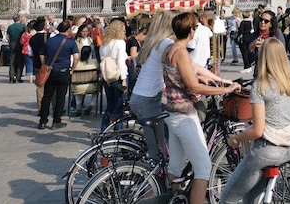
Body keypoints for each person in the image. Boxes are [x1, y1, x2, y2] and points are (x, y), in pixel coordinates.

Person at [162, 12, 240, 204]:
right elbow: (193, 86)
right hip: (183, 114)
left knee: (175, 167)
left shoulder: (171, 49)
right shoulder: (180, 53)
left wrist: (218, 79)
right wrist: (224, 90)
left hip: (171, 112)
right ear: (191, 30)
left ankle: (175, 199)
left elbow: (194, 68)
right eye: (195, 27)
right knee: (203, 168)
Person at [222, 38, 290, 204]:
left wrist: (235, 138)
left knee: (227, 198)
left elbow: (257, 130)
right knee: (251, 200)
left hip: (266, 151)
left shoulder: (260, 86)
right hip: (288, 148)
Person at [129, 11, 176, 160]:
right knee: (159, 149)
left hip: (139, 97)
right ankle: (157, 177)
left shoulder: (152, 42)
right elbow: (182, 66)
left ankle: (158, 173)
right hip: (148, 100)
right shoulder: (167, 43)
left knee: (156, 144)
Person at [38, 21, 79, 130]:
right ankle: (56, 120)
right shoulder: (71, 42)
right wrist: (72, 69)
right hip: (63, 71)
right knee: (61, 97)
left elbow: (42, 55)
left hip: (50, 71)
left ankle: (43, 121)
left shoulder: (49, 41)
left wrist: (45, 65)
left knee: (47, 96)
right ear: (68, 30)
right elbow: (76, 57)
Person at [99, 19, 128, 130]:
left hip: (107, 77)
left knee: (110, 105)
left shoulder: (104, 43)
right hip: (118, 76)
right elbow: (121, 62)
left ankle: (103, 130)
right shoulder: (120, 43)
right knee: (119, 105)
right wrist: (124, 78)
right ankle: (118, 131)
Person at [71, 45, 98, 116]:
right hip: (91, 86)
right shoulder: (94, 62)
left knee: (78, 89)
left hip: (78, 87)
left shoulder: (76, 64)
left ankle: (78, 107)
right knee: (97, 89)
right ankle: (91, 105)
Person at [6, 14, 27, 83]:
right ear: (19, 19)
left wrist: (9, 43)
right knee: (20, 60)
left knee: (12, 60)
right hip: (20, 43)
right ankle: (18, 76)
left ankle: (11, 76)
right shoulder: (23, 26)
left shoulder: (10, 27)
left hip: (12, 43)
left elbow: (7, 37)